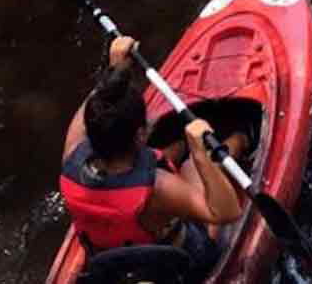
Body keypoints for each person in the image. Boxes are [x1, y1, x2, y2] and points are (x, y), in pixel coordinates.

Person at [60, 36, 249, 281]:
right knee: (192, 165)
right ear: (140, 134)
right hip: (176, 264)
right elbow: (226, 213)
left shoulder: (72, 152)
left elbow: (95, 107)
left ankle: (184, 145)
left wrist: (116, 70)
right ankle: (244, 138)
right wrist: (200, 154)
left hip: (111, 265)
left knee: (170, 152)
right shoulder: (159, 189)